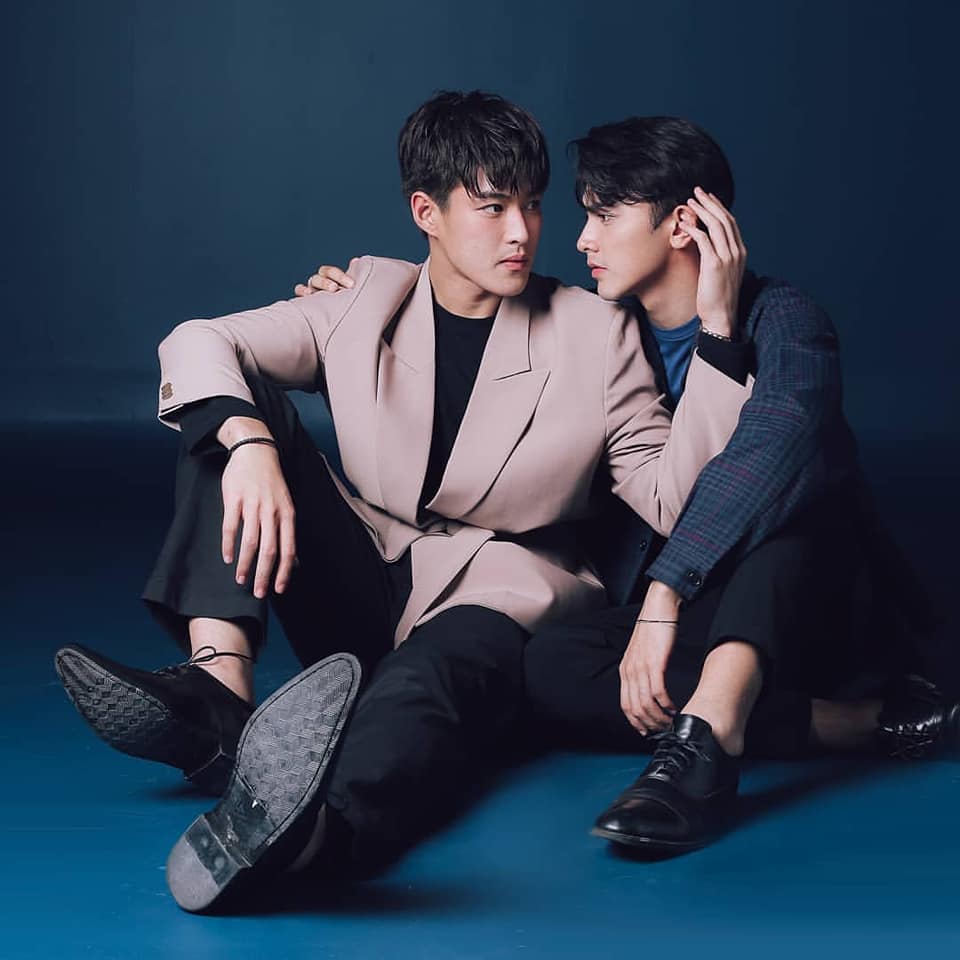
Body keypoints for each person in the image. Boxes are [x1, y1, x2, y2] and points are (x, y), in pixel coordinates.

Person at [54, 91, 754, 911]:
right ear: (427, 212)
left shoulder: (593, 332)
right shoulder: (364, 298)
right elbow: (200, 340)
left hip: (501, 594)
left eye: (532, 205)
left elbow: (679, 500)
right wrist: (248, 446)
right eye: (492, 208)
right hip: (366, 573)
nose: (523, 232)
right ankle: (220, 695)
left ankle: (320, 830)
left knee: (427, 685)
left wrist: (719, 334)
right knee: (234, 411)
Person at [308, 116, 956, 858]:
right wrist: (360, 313)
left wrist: (665, 590)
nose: (582, 238)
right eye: (583, 214)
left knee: (793, 495)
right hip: (692, 614)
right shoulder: (605, 334)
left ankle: (705, 746)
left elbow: (770, 449)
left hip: (805, 604)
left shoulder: (785, 319)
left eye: (604, 216)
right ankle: (851, 724)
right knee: (546, 668)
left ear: (682, 225)